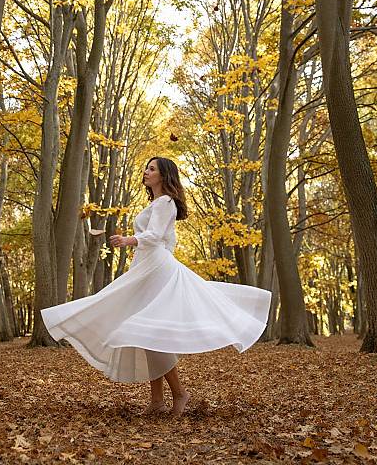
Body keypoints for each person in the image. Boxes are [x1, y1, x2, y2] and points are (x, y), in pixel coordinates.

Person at [41, 156, 272, 416]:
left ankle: (179, 393)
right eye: (146, 167)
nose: (146, 171)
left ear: (164, 175)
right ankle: (156, 401)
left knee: (150, 333)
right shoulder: (157, 203)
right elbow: (160, 239)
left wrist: (129, 240)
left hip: (158, 270)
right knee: (146, 334)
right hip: (147, 268)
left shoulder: (165, 202)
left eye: (152, 169)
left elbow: (156, 236)